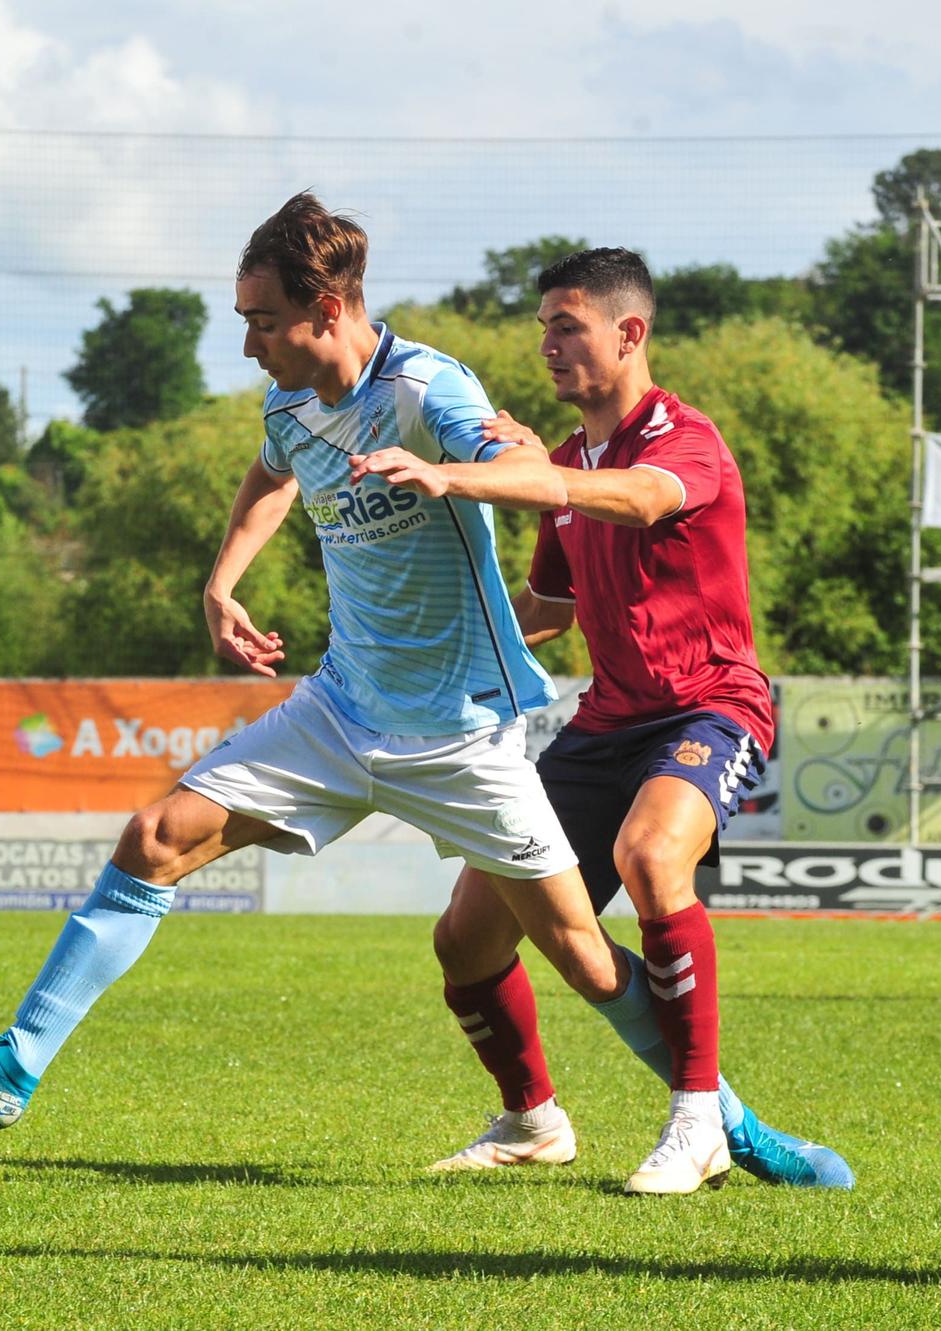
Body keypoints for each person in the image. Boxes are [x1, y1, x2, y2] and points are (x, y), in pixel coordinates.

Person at [0, 193, 731, 1194]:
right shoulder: (288, 402)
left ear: (325, 310)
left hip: (459, 730)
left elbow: (519, 460)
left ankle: (724, 1122)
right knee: (154, 836)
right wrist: (221, 580)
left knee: (586, 961)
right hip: (338, 709)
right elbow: (273, 476)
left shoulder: (424, 385)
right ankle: (14, 1060)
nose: (246, 344)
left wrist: (453, 472)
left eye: (260, 319)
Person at [356, 246, 852, 1189]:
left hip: (710, 705)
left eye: (567, 325)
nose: (547, 346)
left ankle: (698, 1119)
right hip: (603, 723)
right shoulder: (567, 466)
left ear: (630, 334)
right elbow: (546, 612)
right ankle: (532, 1117)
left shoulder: (683, 438)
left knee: (653, 856)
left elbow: (641, 498)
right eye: (542, 326)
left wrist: (472, 477)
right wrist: (430, 647)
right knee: (467, 937)